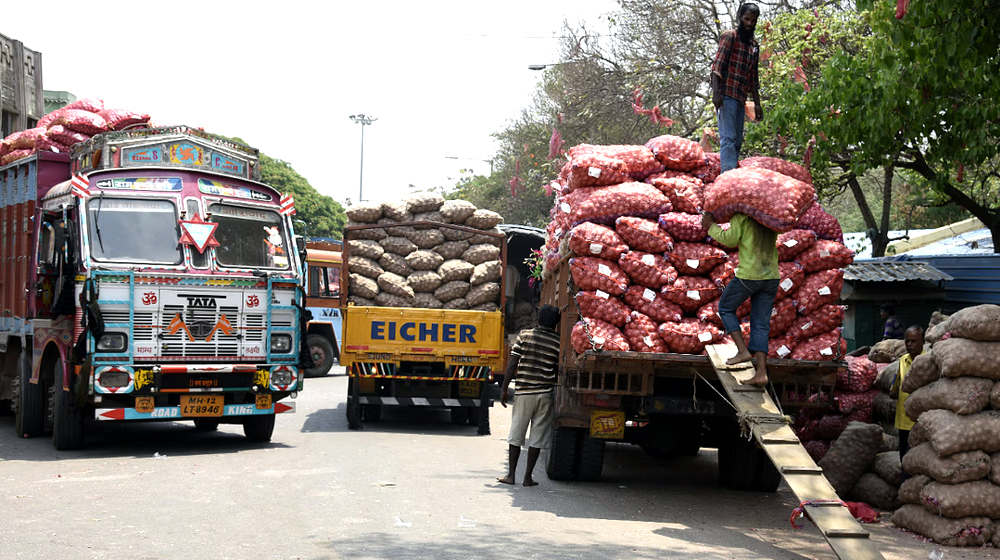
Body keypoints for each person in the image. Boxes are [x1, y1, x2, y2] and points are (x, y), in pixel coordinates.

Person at [701, 211, 778, 386]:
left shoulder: (742, 216)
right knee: (760, 323)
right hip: (771, 276)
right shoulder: (770, 216)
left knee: (726, 308)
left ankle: (742, 351)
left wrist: (711, 226)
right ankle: (761, 374)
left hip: (749, 275)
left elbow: (730, 239)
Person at [498, 304, 561, 487]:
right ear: (555, 324)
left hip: (525, 392)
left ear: (538, 319)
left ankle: (511, 475)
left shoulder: (524, 335)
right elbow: (556, 369)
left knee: (517, 433)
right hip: (545, 393)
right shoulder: (557, 342)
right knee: (537, 437)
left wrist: (504, 389)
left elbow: (512, 364)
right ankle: (527, 477)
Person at [711, 3, 763, 172]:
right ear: (740, 17)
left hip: (740, 98)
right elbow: (717, 67)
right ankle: (728, 178)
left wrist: (757, 104)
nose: (749, 23)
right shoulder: (730, 36)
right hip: (726, 95)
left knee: (738, 141)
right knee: (728, 138)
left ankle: (731, 172)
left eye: (753, 21)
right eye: (746, 19)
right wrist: (716, 93)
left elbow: (753, 78)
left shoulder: (754, 46)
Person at [890, 325, 925, 482]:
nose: (909, 344)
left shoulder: (928, 361)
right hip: (903, 421)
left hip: (919, 423)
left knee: (915, 462)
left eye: (914, 341)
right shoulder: (902, 361)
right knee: (904, 460)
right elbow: (894, 389)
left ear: (922, 342)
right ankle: (905, 495)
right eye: (907, 341)